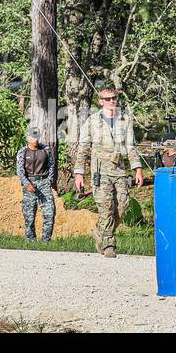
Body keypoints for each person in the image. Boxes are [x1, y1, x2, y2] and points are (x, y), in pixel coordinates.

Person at [74, 84, 143, 258]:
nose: (112, 101)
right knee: (106, 207)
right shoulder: (92, 121)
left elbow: (130, 146)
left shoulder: (125, 119)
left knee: (123, 205)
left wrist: (138, 168)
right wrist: (79, 173)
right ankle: (108, 244)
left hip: (119, 169)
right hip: (100, 170)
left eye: (114, 98)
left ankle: (100, 231)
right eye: (107, 99)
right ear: (100, 102)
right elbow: (83, 147)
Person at [17, 126, 57, 242]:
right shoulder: (22, 152)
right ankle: (30, 240)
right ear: (28, 138)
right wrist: (26, 183)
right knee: (29, 214)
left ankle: (46, 240)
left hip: (44, 182)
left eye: (37, 136)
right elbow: (20, 171)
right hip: (30, 183)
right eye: (33, 137)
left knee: (49, 211)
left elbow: (52, 166)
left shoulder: (46, 150)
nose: (35, 139)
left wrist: (49, 181)